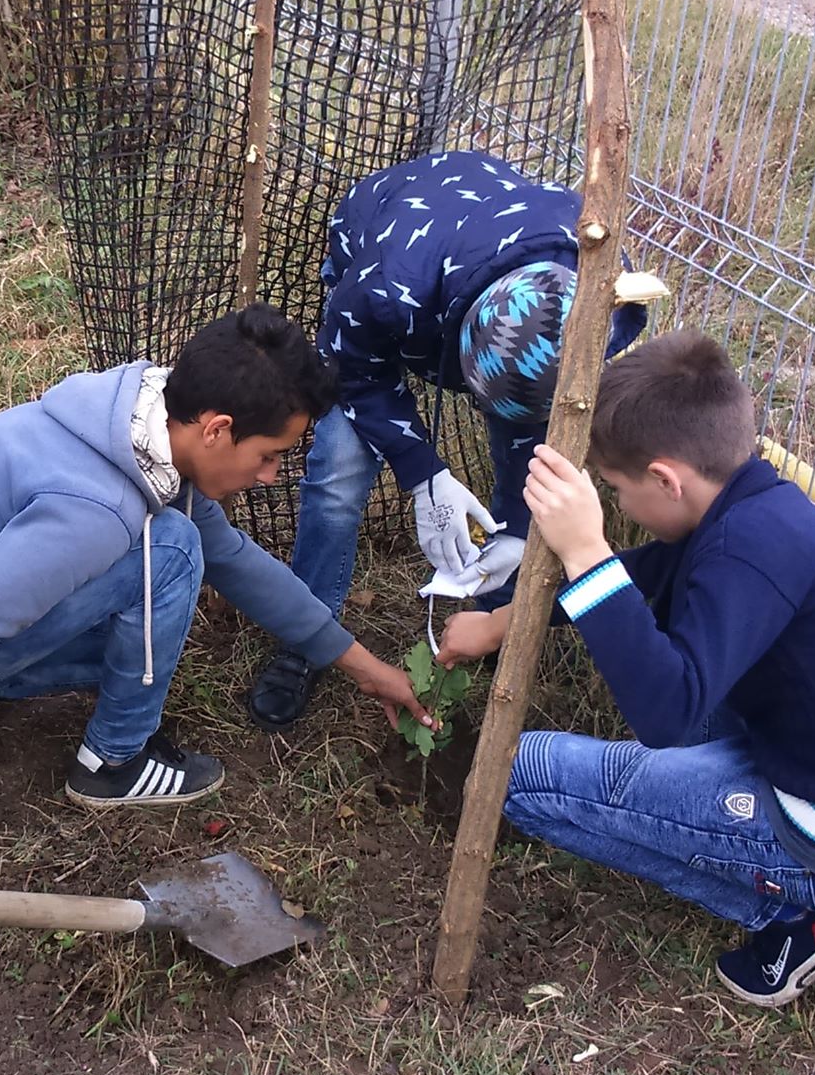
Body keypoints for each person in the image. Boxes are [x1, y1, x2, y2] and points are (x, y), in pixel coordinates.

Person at [437, 331, 815, 1008]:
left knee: (518, 776)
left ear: (666, 478)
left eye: (616, 490)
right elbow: (648, 577)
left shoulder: (745, 552)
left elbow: (667, 714)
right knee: (675, 635)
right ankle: (798, 871)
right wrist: (500, 620)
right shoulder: (758, 512)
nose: (617, 509)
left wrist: (585, 551)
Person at [0, 306, 435, 870]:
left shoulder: (131, 419)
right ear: (218, 430)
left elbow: (237, 561)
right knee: (170, 550)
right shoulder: (100, 507)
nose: (271, 475)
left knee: (173, 560)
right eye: (271, 454)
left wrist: (362, 666)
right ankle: (112, 763)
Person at [246, 149, 649, 730]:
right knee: (338, 468)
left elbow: (539, 433)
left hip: (488, 240)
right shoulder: (383, 289)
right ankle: (307, 636)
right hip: (393, 227)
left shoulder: (599, 291)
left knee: (524, 447)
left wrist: (514, 528)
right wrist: (422, 475)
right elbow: (349, 370)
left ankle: (488, 617)